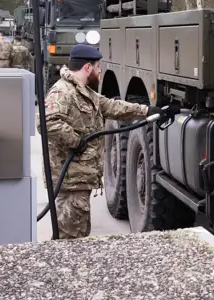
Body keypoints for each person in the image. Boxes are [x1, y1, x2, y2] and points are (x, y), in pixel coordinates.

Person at [38, 44, 172, 239]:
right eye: (98, 66)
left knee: (79, 235)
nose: (100, 70)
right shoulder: (62, 92)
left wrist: (146, 111)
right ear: (87, 68)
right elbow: (46, 123)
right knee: (70, 240)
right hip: (69, 181)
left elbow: (111, 106)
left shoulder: (85, 92)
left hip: (79, 179)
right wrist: (76, 140)